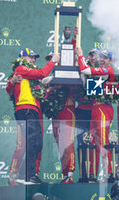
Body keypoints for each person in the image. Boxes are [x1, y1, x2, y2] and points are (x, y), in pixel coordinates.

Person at [6, 48, 60, 185]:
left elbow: (39, 89)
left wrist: (50, 89)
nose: (34, 60)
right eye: (31, 57)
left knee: (37, 143)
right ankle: (28, 175)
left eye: (35, 58)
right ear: (22, 58)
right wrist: (53, 61)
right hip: (25, 109)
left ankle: (27, 174)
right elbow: (42, 73)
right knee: (30, 142)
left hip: (33, 109)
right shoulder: (21, 68)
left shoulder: (30, 78)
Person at [75, 47, 115, 180]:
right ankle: (92, 174)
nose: (102, 60)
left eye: (105, 58)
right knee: (93, 143)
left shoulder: (107, 71)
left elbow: (86, 70)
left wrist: (80, 55)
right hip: (95, 108)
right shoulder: (102, 71)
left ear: (110, 60)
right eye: (101, 57)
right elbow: (89, 85)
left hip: (104, 109)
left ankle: (107, 174)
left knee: (103, 142)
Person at [43, 52, 76, 183]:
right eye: (51, 60)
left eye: (55, 60)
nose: (54, 62)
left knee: (67, 142)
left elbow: (72, 83)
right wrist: (52, 85)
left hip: (67, 110)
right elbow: (43, 83)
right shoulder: (48, 76)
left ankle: (70, 173)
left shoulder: (68, 72)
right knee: (60, 143)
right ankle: (65, 174)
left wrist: (56, 83)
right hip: (56, 113)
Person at [75, 48, 99, 181]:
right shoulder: (82, 68)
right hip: (82, 111)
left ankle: (93, 174)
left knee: (95, 143)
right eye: (91, 55)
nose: (93, 58)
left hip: (95, 112)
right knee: (81, 143)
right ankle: (82, 174)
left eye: (95, 55)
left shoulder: (101, 71)